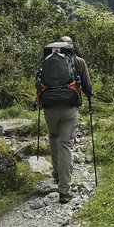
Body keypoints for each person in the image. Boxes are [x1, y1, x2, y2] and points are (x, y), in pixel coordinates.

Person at [41, 35, 92, 203]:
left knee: (53, 137)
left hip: (49, 107)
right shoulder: (79, 62)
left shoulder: (47, 59)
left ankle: (56, 174)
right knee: (66, 144)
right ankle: (64, 190)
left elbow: (38, 82)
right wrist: (89, 97)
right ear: (71, 46)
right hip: (69, 108)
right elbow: (88, 87)